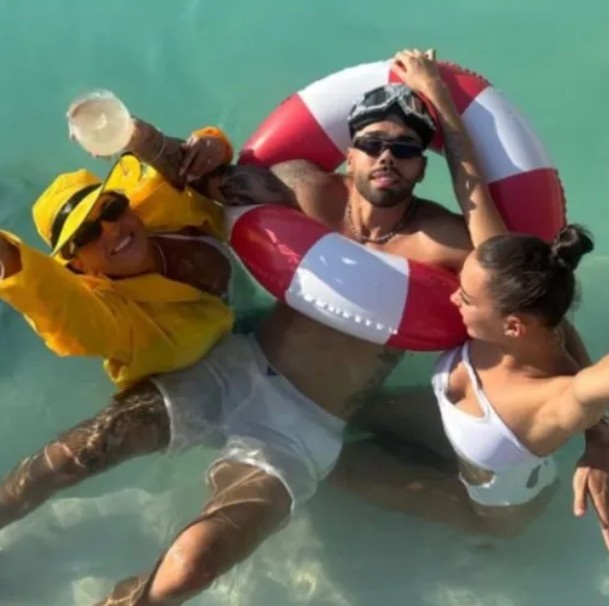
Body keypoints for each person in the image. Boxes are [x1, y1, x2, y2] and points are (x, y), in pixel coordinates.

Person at [0, 49, 604, 605]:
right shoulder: (303, 189)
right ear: (348, 152)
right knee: (75, 454)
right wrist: (156, 140)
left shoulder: (443, 241)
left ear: (425, 166)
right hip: (234, 368)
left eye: (405, 148)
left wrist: (598, 438)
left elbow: (534, 308)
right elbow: (204, 176)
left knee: (189, 569)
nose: (387, 157)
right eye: (372, 143)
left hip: (304, 429)